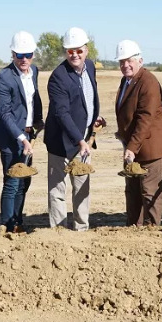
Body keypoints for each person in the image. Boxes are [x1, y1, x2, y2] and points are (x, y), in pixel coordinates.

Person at [44, 27, 106, 231]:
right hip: (61, 143)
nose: (75, 55)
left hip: (83, 140)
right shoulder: (58, 77)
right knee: (57, 190)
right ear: (65, 52)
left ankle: (81, 227)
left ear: (86, 50)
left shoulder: (90, 67)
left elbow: (86, 97)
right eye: (70, 51)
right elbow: (62, 113)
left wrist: (93, 116)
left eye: (79, 50)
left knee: (82, 188)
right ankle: (59, 230)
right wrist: (80, 140)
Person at [114, 40, 162, 226]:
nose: (125, 65)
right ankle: (134, 232)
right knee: (133, 195)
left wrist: (132, 147)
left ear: (140, 60)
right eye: (122, 62)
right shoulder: (127, 81)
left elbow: (145, 118)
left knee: (150, 194)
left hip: (150, 150)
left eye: (129, 60)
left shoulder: (148, 82)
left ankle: (153, 233)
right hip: (133, 149)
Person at [0, 31, 44, 233]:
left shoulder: (34, 72)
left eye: (28, 55)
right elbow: (4, 113)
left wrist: (38, 121)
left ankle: (18, 221)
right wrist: (22, 138)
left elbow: (33, 99)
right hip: (11, 138)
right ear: (12, 54)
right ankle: (7, 223)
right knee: (12, 181)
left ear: (33, 54)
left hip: (28, 134)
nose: (24, 59)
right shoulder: (3, 78)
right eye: (19, 55)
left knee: (24, 181)